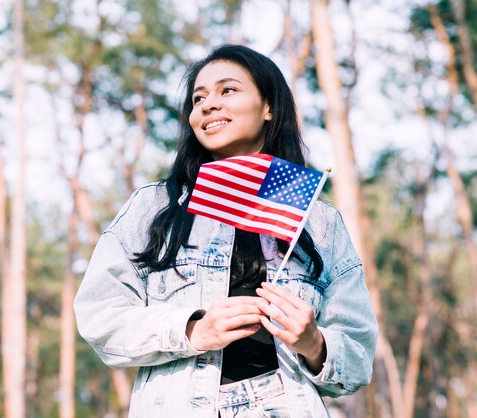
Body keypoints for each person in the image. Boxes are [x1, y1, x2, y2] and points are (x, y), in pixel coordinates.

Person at [74, 44, 378, 418]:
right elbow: (99, 315)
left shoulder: (318, 221)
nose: (207, 105)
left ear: (268, 107)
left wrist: (314, 342)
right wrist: (192, 330)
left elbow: (359, 360)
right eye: (198, 98)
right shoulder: (155, 207)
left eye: (227, 90)